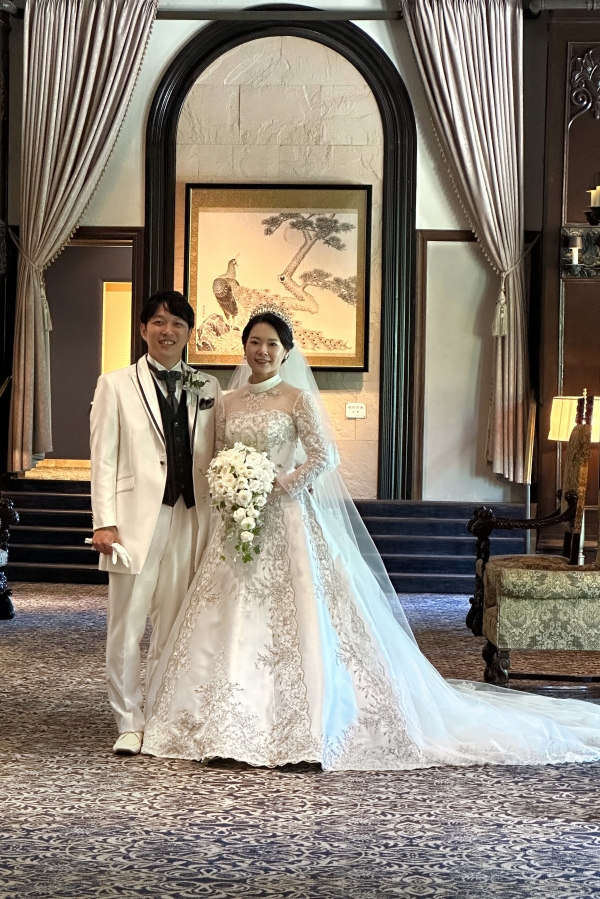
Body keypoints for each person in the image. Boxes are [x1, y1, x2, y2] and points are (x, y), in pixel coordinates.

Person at [141, 307, 600, 769]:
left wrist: (281, 482)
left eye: (272, 345)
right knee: (230, 614)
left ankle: (308, 724)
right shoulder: (226, 401)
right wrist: (233, 480)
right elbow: (217, 453)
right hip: (239, 522)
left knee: (299, 616)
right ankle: (223, 719)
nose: (262, 351)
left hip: (288, 517)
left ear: (286, 353)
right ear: (244, 347)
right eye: (255, 343)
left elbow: (323, 457)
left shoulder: (297, 399)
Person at [90, 290, 222, 755]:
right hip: (133, 522)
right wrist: (104, 522)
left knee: (176, 621)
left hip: (191, 515)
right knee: (127, 626)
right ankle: (128, 720)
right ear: (144, 329)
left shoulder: (208, 387)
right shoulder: (115, 384)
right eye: (159, 322)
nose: (168, 331)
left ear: (189, 333)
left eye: (178, 324)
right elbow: (103, 459)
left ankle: (162, 713)